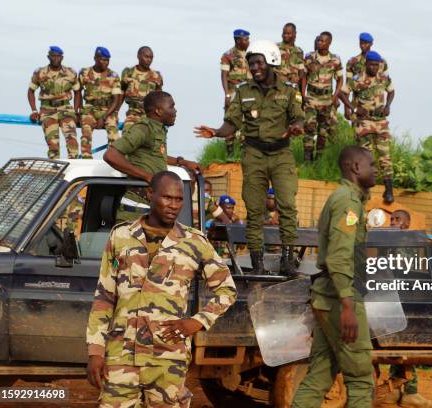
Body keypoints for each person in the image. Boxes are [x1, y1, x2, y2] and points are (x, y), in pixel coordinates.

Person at [86, 170, 236, 407]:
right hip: (121, 355)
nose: (173, 205)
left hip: (168, 358)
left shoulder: (194, 242)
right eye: (167, 198)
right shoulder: (121, 236)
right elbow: (104, 296)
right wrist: (95, 351)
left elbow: (227, 289)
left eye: (178, 200)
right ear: (150, 194)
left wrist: (196, 322)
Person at [195, 40, 304, 277]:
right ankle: (258, 264)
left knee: (286, 205)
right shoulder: (243, 91)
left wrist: (296, 127)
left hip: (281, 154)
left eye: (258, 62)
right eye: (251, 63)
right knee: (254, 210)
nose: (254, 67)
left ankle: (287, 260)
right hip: (253, 154)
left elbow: (299, 118)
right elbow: (231, 124)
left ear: (272, 61)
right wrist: (215, 132)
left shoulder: (288, 90)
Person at [292, 146, 376, 408]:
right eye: (371, 165)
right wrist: (348, 304)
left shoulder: (343, 199)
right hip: (340, 299)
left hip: (327, 296)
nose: (376, 170)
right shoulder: (348, 202)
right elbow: (340, 256)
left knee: (320, 374)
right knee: (361, 377)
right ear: (355, 167)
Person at [103, 91, 199, 223]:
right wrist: (147, 176)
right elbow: (111, 155)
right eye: (171, 107)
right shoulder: (144, 129)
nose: (175, 111)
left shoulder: (157, 129)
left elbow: (157, 155)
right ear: (159, 111)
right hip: (136, 208)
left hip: (150, 207)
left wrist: (181, 162)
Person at [384, 209, 432, 407]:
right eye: (391, 219)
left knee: (405, 345)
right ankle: (397, 390)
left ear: (406, 224)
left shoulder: (406, 241)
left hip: (405, 298)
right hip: (392, 297)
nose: (393, 222)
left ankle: (409, 391)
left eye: (397, 219)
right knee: (395, 344)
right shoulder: (391, 241)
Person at [340, 50, 395, 203]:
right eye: (372, 65)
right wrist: (353, 107)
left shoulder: (383, 77)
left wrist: (388, 106)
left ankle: (389, 189)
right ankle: (366, 191)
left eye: (377, 65)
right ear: (366, 64)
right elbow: (342, 93)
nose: (374, 68)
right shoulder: (357, 79)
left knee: (385, 155)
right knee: (366, 156)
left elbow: (391, 91)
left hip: (380, 121)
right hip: (364, 122)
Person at [28, 45, 80, 159]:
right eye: (53, 56)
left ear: (62, 57)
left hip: (66, 109)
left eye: (58, 56)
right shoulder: (40, 72)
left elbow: (77, 92)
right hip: (47, 111)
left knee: (72, 142)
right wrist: (33, 110)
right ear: (48, 57)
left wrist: (76, 110)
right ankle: (56, 170)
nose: (56, 59)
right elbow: (31, 91)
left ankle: (75, 170)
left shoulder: (70, 73)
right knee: (53, 145)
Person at [302, 31, 343, 162]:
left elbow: (340, 80)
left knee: (323, 131)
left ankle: (318, 160)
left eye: (323, 41)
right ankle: (307, 159)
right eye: (319, 40)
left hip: (326, 101)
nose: (320, 43)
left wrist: (334, 97)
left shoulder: (335, 60)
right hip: (312, 98)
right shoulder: (309, 57)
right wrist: (303, 95)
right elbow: (303, 76)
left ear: (329, 43)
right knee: (309, 128)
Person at [78, 47, 122, 158]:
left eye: (107, 60)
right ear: (95, 58)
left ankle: (113, 159)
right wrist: (77, 111)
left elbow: (116, 100)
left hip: (108, 109)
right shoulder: (84, 73)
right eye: (103, 59)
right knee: (86, 135)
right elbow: (78, 92)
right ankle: (86, 161)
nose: (106, 63)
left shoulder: (114, 76)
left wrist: (103, 117)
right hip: (89, 109)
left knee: (114, 135)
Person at [221, 29, 251, 157]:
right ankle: (230, 155)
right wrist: (227, 94)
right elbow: (224, 75)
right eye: (245, 39)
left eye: (248, 39)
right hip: (234, 92)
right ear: (238, 40)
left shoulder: (252, 53)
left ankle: (244, 155)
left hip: (249, 93)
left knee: (247, 123)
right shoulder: (228, 55)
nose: (248, 42)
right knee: (231, 121)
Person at [121, 46, 163, 133]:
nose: (149, 60)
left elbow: (160, 99)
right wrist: (115, 113)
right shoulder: (128, 73)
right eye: (146, 57)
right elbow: (121, 93)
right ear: (139, 56)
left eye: (151, 58)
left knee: (155, 140)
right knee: (127, 137)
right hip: (133, 113)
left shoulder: (156, 76)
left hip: (150, 116)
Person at [276, 23, 306, 90]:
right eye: (284, 33)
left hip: (293, 87)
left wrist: (298, 78)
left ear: (294, 34)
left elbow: (301, 69)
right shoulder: (275, 48)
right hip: (278, 86)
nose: (285, 35)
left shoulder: (299, 52)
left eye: (288, 33)